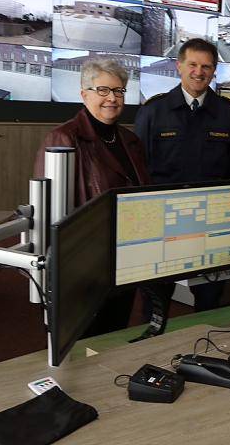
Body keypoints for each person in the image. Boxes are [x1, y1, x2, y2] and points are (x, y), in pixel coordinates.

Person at [34, 59, 150, 336]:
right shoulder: (63, 139)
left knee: (115, 330)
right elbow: (49, 211)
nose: (112, 98)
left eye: (119, 91)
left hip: (124, 253)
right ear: (84, 93)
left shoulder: (130, 140)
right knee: (84, 336)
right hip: (85, 263)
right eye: (103, 90)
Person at [134, 38, 230, 311]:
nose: (199, 72)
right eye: (192, 64)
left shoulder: (227, 112)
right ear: (179, 66)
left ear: (214, 71)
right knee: (156, 298)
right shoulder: (154, 110)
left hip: (212, 221)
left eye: (206, 66)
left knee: (209, 298)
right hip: (163, 220)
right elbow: (139, 168)